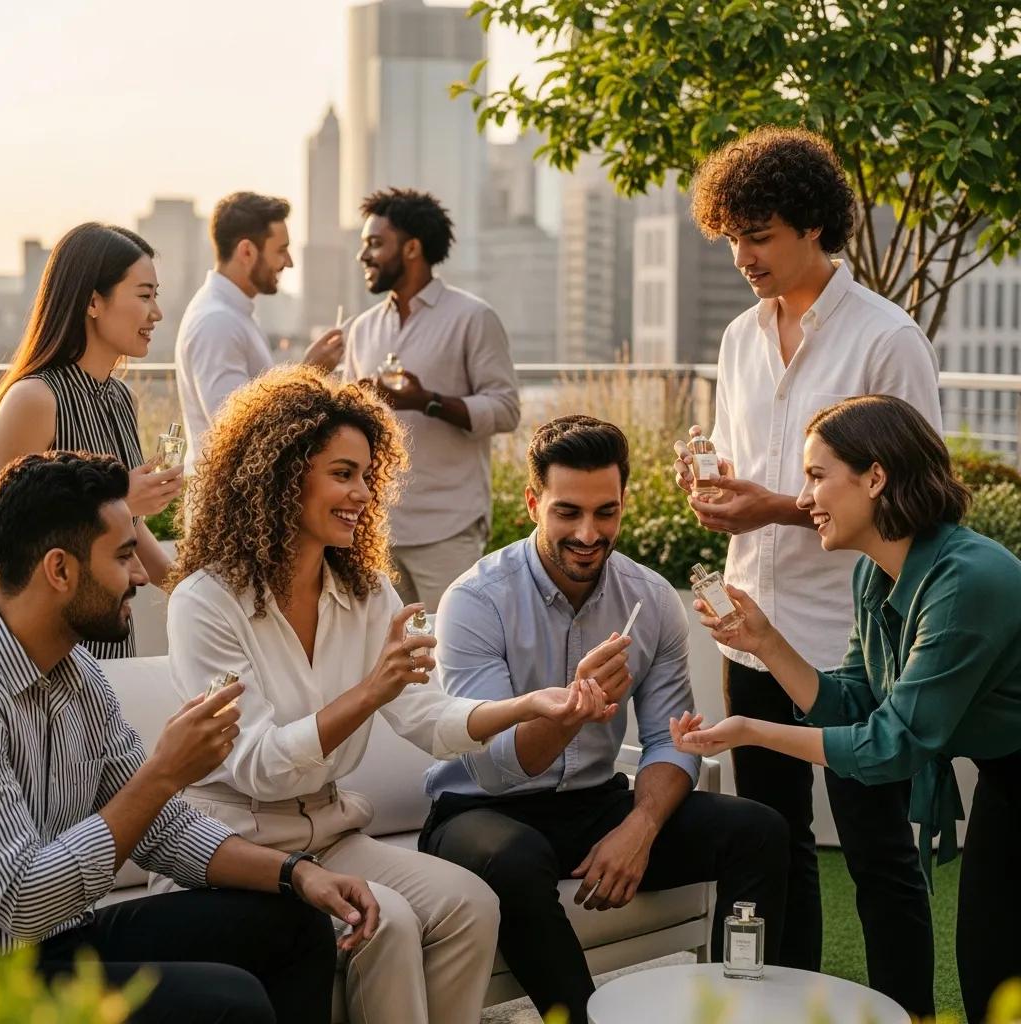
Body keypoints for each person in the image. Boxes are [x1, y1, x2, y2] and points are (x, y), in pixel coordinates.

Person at [158, 365, 612, 1024]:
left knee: (473, 903)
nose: (363, 495)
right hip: (239, 839)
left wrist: (531, 704)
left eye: (368, 476)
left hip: (330, 830)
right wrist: (371, 691)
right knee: (387, 921)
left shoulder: (367, 591)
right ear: (283, 476)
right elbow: (256, 763)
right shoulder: (207, 601)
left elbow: (425, 716)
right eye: (343, 474)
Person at [672, 125, 942, 1016]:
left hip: (853, 638)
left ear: (813, 226)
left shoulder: (886, 337)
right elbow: (747, 462)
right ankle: (780, 1009)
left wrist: (778, 506)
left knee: (874, 852)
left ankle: (904, 1008)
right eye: (732, 236)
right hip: (751, 628)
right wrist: (714, 487)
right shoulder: (740, 337)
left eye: (760, 234)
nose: (742, 255)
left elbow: (907, 492)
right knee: (773, 842)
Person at [421, 414, 790, 1024]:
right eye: (567, 512)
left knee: (759, 831)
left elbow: (672, 743)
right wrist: (569, 710)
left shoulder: (649, 601)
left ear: (623, 504)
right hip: (482, 812)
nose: (589, 534)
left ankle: (736, 1013)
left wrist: (641, 826)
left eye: (605, 513)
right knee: (515, 859)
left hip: (595, 804)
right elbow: (493, 765)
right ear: (533, 503)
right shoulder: (474, 601)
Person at [0, 450, 379, 1024]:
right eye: (124, 555)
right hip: (9, 971)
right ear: (59, 569)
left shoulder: (81, 679)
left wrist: (297, 872)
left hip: (63, 941)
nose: (143, 575)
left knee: (295, 923)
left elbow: (165, 828)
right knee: (227, 1005)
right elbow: (21, 902)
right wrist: (164, 772)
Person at [673, 395, 1021, 1024]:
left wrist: (753, 730)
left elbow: (892, 746)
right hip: (1008, 775)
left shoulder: (968, 581)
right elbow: (856, 702)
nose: (803, 501)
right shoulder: (876, 574)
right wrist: (767, 644)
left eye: (815, 476)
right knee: (990, 972)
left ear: (876, 477)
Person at [0, 223, 184, 658]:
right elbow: (8, 534)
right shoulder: (35, 399)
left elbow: (132, 529)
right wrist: (123, 506)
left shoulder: (120, 396)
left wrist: (199, 587)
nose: (156, 312)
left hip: (110, 632)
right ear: (93, 301)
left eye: (155, 295)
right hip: (50, 650)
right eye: (144, 295)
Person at [342, 187, 520, 612]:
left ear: (412, 248)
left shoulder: (472, 318)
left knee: (452, 656)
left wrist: (427, 401)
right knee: (386, 660)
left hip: (449, 529)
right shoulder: (362, 329)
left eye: (375, 243)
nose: (362, 256)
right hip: (376, 528)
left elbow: (506, 409)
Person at [175, 191, 344, 475]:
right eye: (280, 250)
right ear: (247, 252)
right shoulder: (218, 321)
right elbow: (236, 429)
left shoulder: (235, 314)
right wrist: (308, 373)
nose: (288, 262)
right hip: (227, 506)